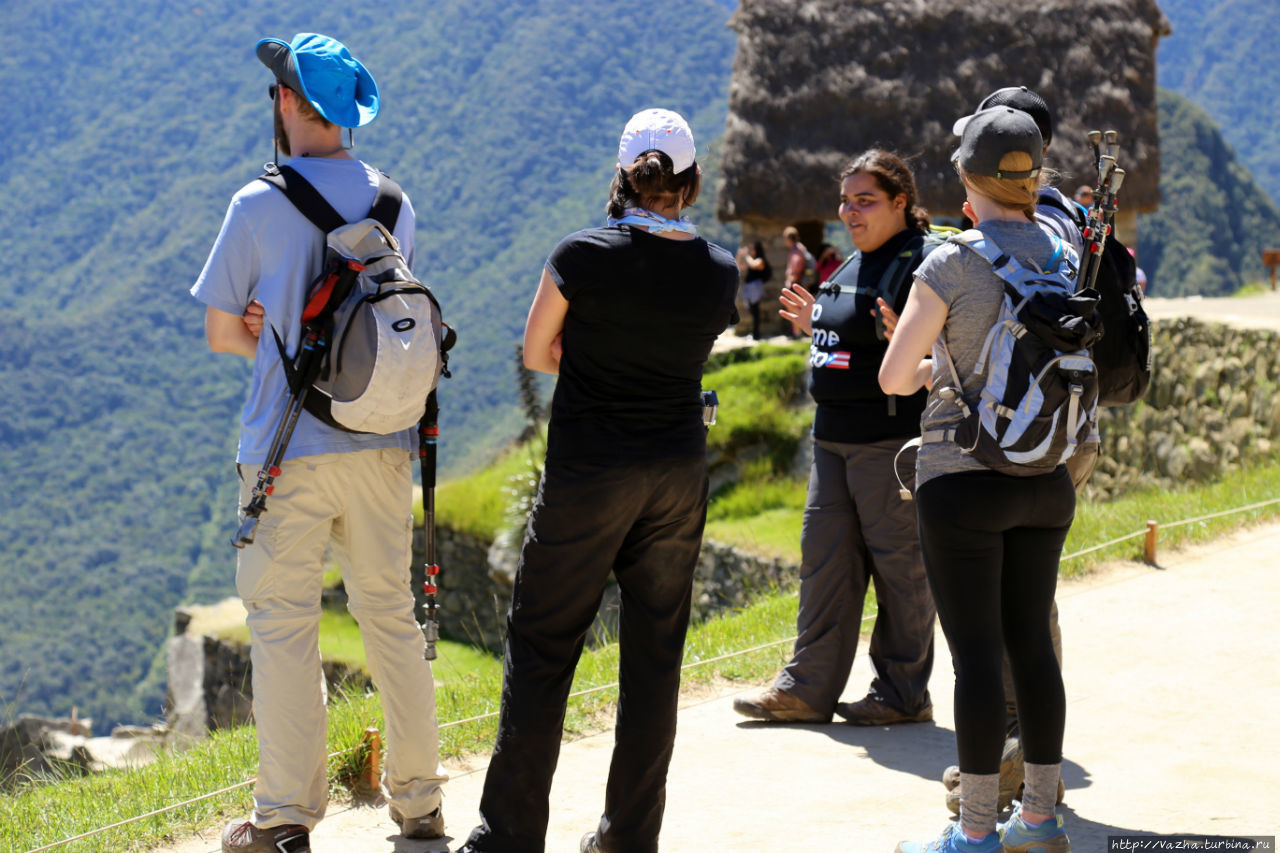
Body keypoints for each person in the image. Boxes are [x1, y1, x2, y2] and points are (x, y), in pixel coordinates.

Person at [191, 33, 447, 853]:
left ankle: (285, 818)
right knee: (391, 620)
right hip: (383, 440)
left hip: (286, 449)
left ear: (293, 106)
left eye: (279, 92)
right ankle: (419, 803)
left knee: (284, 626)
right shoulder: (396, 204)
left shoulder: (256, 204)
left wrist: (264, 327)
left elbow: (221, 333)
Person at [458, 108, 739, 853]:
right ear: (691, 182)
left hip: (591, 470)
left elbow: (538, 350)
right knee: (655, 654)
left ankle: (510, 835)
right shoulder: (720, 270)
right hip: (677, 467)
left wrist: (592, 360)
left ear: (622, 178)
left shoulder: (579, 255)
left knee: (545, 643)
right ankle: (627, 836)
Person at [881, 107, 1074, 853]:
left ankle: (972, 835)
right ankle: (1040, 820)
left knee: (975, 659)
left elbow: (897, 374)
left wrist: (941, 366)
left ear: (966, 178)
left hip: (963, 477)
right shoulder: (1065, 250)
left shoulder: (951, 262)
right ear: (1033, 177)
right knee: (1033, 647)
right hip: (1047, 476)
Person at [732, 150, 936, 727]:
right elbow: (846, 344)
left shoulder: (922, 267)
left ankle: (903, 694)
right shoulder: (849, 266)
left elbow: (952, 343)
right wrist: (810, 325)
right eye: (845, 201)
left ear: (902, 202)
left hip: (890, 442)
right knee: (824, 565)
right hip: (831, 441)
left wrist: (924, 346)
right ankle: (806, 689)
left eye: (865, 200)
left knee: (901, 569)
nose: (850, 211)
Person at [782, 225, 817, 335]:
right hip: (801, 282)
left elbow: (796, 265)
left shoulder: (796, 250)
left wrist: (790, 280)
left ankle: (797, 334)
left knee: (794, 308)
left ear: (788, 238)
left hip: (796, 283)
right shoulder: (800, 248)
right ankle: (799, 332)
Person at [736, 239, 771, 339]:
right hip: (750, 289)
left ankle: (756, 335)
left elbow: (753, 264)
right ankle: (755, 334)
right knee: (752, 310)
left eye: (753, 249)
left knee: (755, 311)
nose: (751, 251)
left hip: (755, 289)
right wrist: (739, 255)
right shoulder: (753, 259)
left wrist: (746, 255)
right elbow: (739, 266)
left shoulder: (760, 260)